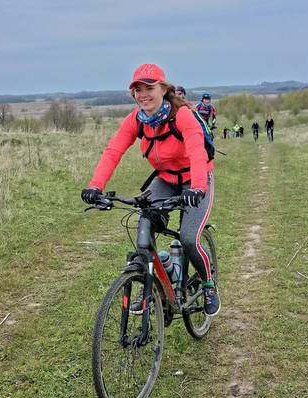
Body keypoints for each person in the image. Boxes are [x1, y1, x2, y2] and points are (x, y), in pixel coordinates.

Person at [81, 63, 220, 316]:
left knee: (189, 238)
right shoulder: (136, 120)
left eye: (149, 87)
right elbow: (114, 151)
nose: (143, 94)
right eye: (137, 89)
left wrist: (198, 187)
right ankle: (154, 282)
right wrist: (96, 186)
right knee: (145, 223)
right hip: (166, 179)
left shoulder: (183, 115)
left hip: (196, 179)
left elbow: (197, 151)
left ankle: (209, 284)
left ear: (163, 89)